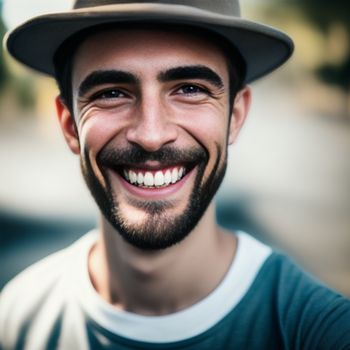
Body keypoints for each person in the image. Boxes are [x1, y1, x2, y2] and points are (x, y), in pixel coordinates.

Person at [1, 1, 350, 349]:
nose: (152, 135)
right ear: (69, 126)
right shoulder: (17, 318)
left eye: (190, 89)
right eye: (111, 94)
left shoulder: (320, 331)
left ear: (235, 116)